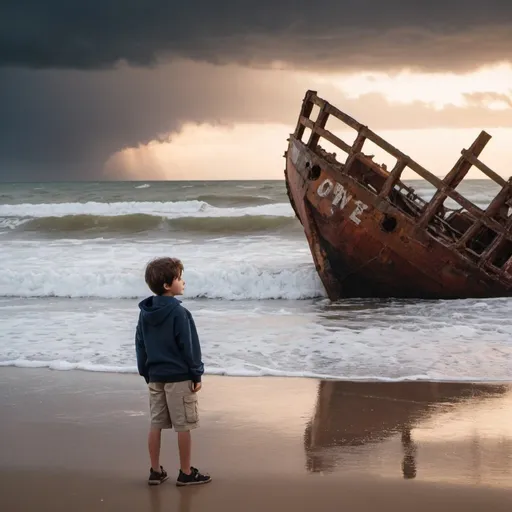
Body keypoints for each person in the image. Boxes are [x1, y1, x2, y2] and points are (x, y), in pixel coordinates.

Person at [135, 256, 211, 486]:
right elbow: (189, 347)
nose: (183, 281)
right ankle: (186, 472)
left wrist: (146, 372)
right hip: (179, 377)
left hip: (155, 376)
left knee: (156, 423)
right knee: (183, 426)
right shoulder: (180, 313)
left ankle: (155, 471)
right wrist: (196, 373)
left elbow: (140, 344)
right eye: (179, 278)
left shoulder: (145, 313)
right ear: (168, 285)